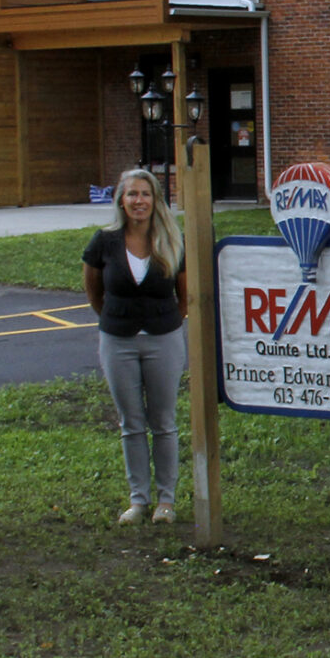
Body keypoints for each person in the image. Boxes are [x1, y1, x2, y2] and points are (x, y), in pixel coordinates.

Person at [81, 169, 188, 525]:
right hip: (118, 340)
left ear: (156, 200)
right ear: (121, 201)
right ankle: (138, 500)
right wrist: (117, 318)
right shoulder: (104, 241)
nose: (139, 201)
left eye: (145, 194)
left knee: (164, 421)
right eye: (132, 195)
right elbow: (94, 291)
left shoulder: (172, 240)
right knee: (131, 423)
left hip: (163, 339)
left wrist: (161, 322)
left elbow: (184, 297)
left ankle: (166, 502)